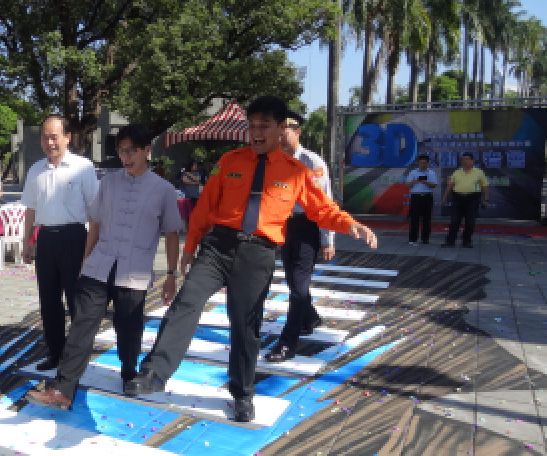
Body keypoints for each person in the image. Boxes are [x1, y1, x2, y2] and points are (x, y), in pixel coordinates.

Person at [123, 96, 378, 423]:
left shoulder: (297, 172)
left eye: (264, 126)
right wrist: (189, 248)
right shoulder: (230, 161)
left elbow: (322, 209)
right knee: (186, 302)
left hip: (258, 252)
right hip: (218, 246)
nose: (256, 133)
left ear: (281, 129)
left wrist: (350, 224)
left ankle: (242, 392)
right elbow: (205, 206)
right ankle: (154, 373)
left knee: (246, 325)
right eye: (252, 126)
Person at [24, 124, 183, 410]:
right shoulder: (108, 183)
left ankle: (129, 371)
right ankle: (63, 388)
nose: (126, 157)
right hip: (100, 264)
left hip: (133, 270)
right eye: (122, 151)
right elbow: (95, 224)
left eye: (132, 151)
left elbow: (172, 234)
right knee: (82, 324)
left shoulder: (164, 190)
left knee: (128, 327)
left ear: (147, 151)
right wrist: (85, 260)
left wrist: (171, 274)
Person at [21, 115, 99, 371]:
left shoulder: (83, 167)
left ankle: (77, 359)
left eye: (54, 137)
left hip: (74, 238)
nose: (49, 142)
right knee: (49, 301)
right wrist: (26, 242)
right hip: (46, 239)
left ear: (67, 137)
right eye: (45, 137)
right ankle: (55, 354)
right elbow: (30, 209)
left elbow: (95, 212)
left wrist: (91, 249)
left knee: (76, 300)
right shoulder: (36, 170)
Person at [264, 110, 336, 364]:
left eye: (285, 133)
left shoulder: (312, 162)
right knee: (294, 282)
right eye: (278, 133)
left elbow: (325, 203)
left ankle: (288, 342)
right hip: (285, 226)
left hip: (308, 226)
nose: (281, 139)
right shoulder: (275, 160)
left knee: (298, 286)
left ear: (297, 133)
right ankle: (310, 317)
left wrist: (327, 240)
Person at [441, 152, 489, 248]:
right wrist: (444, 198)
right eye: (463, 159)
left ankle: (467, 241)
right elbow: (450, 186)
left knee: (470, 222)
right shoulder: (457, 172)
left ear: (472, 161)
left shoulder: (479, 172)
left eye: (467, 159)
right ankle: (450, 241)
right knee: (455, 220)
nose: (464, 161)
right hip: (458, 199)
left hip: (473, 199)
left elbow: (484, 187)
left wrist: (486, 200)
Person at [405, 154, 438, 245]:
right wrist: (415, 181)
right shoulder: (413, 172)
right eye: (421, 163)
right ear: (418, 163)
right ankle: (413, 238)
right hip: (416, 197)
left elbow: (434, 185)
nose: (422, 165)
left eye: (424, 163)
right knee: (414, 218)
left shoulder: (431, 173)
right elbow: (407, 185)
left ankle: (425, 238)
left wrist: (425, 181)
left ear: (427, 163)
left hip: (427, 196)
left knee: (427, 219)